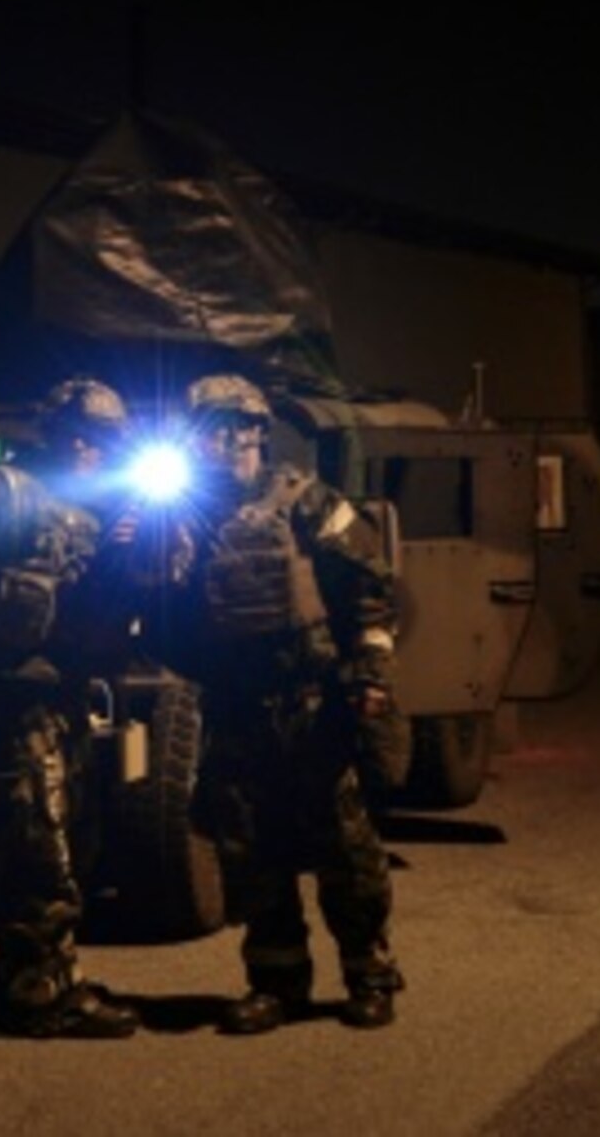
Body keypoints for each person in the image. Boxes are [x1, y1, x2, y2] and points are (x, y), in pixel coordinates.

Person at [0, 376, 163, 1039]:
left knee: (71, 835)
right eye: (85, 439)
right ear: (63, 440)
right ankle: (35, 996)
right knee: (32, 843)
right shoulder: (20, 491)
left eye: (103, 440)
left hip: (67, 695)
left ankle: (53, 974)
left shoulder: (103, 511)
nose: (93, 450)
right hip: (19, 698)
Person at [157, 372, 409, 1033]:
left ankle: (369, 973)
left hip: (313, 701)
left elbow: (373, 591)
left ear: (255, 433)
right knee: (251, 851)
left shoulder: (307, 502)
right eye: (208, 431)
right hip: (238, 706)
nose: (222, 442)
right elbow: (165, 619)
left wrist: (369, 673)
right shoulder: (185, 520)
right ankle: (276, 982)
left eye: (232, 429)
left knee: (344, 848)